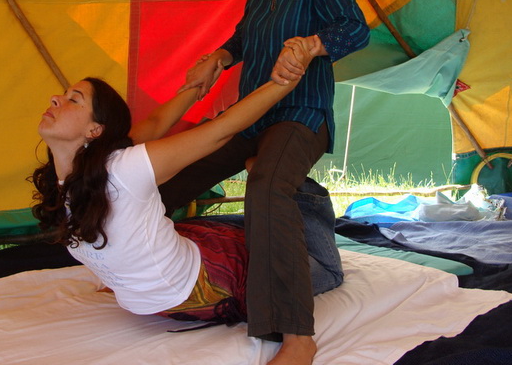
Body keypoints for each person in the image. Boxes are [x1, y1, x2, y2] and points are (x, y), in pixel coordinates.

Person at [157, 0, 370, 363]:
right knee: (171, 173)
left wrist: (313, 44)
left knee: (267, 186)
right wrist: (219, 58)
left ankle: (297, 336)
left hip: (301, 114)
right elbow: (244, 37)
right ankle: (150, 276)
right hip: (252, 113)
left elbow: (356, 28)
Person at [31, 40, 340, 365]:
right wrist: (195, 87)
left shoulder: (123, 168)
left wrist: (286, 81)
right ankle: (266, 205)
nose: (55, 98)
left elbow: (222, 130)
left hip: (219, 278)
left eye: (72, 99)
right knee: (246, 227)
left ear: (95, 129)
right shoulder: (64, 180)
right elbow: (152, 126)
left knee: (324, 270)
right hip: (180, 268)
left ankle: (304, 197)